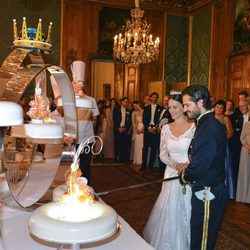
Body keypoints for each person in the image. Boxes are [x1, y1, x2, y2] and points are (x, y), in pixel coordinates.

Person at [143, 94, 195, 250]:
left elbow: (198, 152)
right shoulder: (165, 128)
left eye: (175, 107)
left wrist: (189, 165)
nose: (171, 111)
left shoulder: (194, 127)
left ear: (184, 107)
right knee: (170, 208)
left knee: (186, 207)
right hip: (171, 172)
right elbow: (162, 154)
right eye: (169, 107)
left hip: (189, 173)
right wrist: (175, 164)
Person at [180, 85, 228, 250]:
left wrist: (184, 176)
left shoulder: (208, 127)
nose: (185, 109)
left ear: (200, 102)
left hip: (208, 191)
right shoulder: (205, 123)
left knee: (202, 242)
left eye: (187, 105)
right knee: (199, 236)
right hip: (206, 186)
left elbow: (199, 168)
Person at [214, 99, 235, 199]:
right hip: (212, 147)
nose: (218, 109)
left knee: (223, 168)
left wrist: (220, 139)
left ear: (223, 109)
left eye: (221, 108)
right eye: (217, 107)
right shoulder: (210, 117)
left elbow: (230, 134)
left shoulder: (225, 118)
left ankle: (224, 191)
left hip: (222, 147)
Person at [140, 92, 163, 171]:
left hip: (155, 131)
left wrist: (155, 128)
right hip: (147, 130)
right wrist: (148, 128)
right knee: (145, 148)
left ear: (157, 98)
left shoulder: (161, 108)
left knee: (154, 149)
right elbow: (144, 120)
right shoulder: (146, 108)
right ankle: (143, 165)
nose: (154, 98)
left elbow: (160, 120)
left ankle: (151, 165)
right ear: (150, 98)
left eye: (155, 97)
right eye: (152, 97)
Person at [236, 102, 250, 203]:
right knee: (245, 173)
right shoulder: (246, 124)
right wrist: (248, 146)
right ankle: (243, 197)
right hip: (246, 150)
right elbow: (241, 138)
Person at [113, 97, 132, 163]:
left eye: (127, 102)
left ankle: (123, 158)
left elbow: (129, 121)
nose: (126, 103)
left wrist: (125, 128)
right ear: (122, 102)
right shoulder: (116, 109)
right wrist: (118, 127)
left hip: (124, 129)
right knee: (117, 144)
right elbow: (114, 119)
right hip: (118, 129)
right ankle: (116, 158)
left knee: (124, 144)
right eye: (125, 102)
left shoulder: (128, 111)